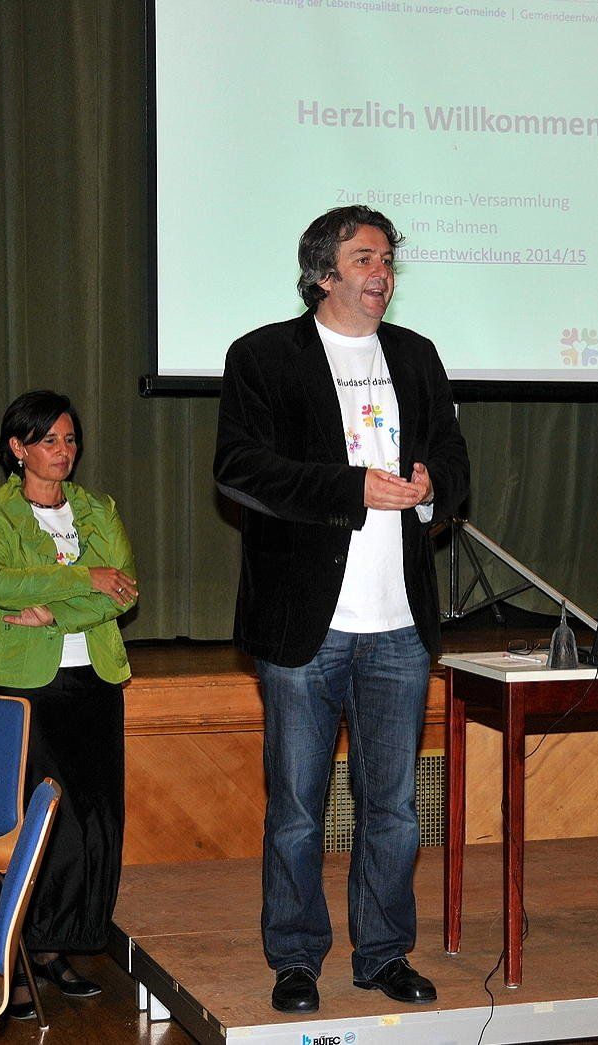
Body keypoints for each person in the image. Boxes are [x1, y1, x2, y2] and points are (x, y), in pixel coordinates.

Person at [213, 205, 470, 1014]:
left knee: (393, 809)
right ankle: (295, 958)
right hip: (304, 625)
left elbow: (453, 459)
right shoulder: (262, 356)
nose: (381, 272)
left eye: (387, 258)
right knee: (297, 809)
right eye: (364, 258)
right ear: (324, 273)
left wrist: (431, 488)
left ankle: (384, 952)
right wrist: (352, 487)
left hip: (399, 626)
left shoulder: (417, 356)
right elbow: (240, 468)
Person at [0, 389, 137, 1018]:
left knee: (94, 819)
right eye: (48, 440)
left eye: (69, 439)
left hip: (94, 680)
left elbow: (123, 590)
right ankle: (15, 952)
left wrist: (57, 610)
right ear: (18, 448)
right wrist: (84, 577)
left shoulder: (97, 508)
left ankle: (57, 946)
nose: (63, 451)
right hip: (24, 684)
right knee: (39, 822)